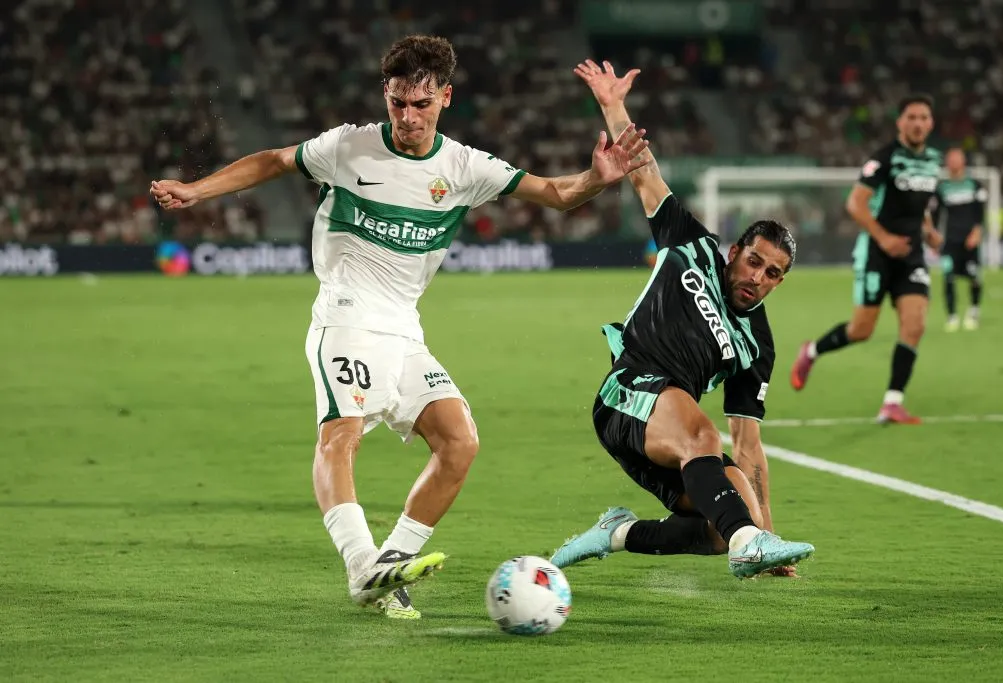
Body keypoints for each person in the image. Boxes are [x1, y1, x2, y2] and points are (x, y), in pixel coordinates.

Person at [150, 36, 650, 619]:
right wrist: (196, 188)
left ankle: (389, 567)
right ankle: (362, 565)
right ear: (385, 98)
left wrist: (595, 178)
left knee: (460, 441)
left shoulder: (465, 166)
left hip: (403, 331)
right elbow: (275, 160)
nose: (407, 117)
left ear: (445, 98)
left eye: (421, 104)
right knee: (341, 435)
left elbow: (556, 194)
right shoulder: (348, 146)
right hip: (344, 318)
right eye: (397, 104)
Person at [549, 60, 814, 578]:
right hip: (628, 392)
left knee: (719, 529)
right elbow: (643, 170)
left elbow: (750, 445)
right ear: (735, 250)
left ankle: (619, 532)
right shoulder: (690, 243)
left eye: (772, 273)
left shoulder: (758, 345)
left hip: (664, 433)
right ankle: (749, 543)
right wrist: (611, 103)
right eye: (754, 261)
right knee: (703, 436)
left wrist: (767, 527)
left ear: (780, 282)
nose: (758, 276)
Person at [790, 94, 944, 425]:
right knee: (862, 330)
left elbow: (920, 204)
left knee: (914, 324)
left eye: (924, 118)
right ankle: (812, 351)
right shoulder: (883, 159)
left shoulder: (933, 160)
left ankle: (892, 402)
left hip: (911, 255)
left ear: (931, 123)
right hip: (877, 253)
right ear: (900, 122)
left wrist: (929, 230)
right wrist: (884, 238)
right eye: (912, 117)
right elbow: (856, 204)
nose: (918, 123)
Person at [931, 148, 986, 331]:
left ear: (963, 161)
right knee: (948, 277)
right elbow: (936, 215)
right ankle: (952, 316)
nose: (953, 163)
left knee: (974, 277)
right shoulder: (942, 188)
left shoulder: (974, 185)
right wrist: (933, 236)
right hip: (950, 241)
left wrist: (977, 232)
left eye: (957, 159)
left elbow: (980, 212)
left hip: (969, 241)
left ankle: (974, 311)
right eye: (950, 159)